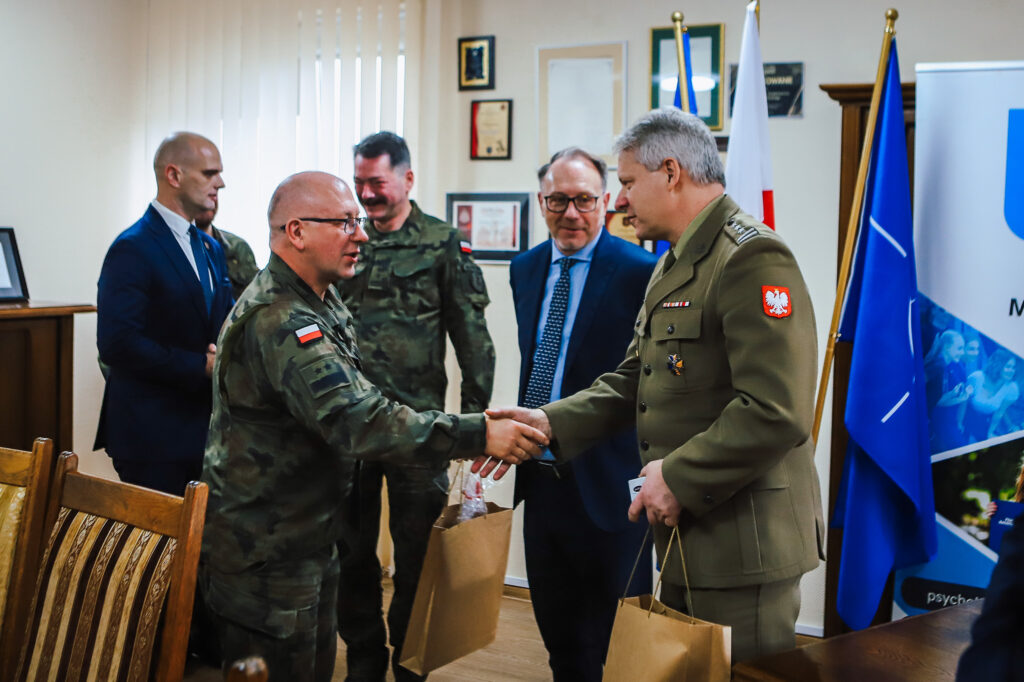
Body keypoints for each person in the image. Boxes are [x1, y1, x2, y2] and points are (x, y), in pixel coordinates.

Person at [487, 108, 824, 664]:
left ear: (670, 173)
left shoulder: (750, 257)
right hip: (689, 532)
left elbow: (776, 409)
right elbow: (632, 379)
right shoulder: (674, 265)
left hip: (745, 540)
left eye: (625, 184)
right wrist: (550, 422)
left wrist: (678, 475)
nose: (619, 202)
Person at [199, 171, 544, 682]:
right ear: (297, 232)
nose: (361, 234)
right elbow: (356, 420)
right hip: (268, 557)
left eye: (357, 221)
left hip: (305, 538)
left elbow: (363, 395)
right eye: (344, 222)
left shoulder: (320, 298)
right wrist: (478, 431)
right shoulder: (282, 318)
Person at [334, 131, 496, 682]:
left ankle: (408, 665)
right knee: (350, 556)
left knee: (417, 561)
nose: (367, 195)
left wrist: (474, 428)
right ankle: (363, 658)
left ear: (407, 179)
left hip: (416, 434)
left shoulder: (442, 242)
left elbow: (472, 337)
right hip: (350, 430)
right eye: (359, 183)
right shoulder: (346, 239)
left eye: (376, 182)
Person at [510, 147, 657, 680]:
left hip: (611, 481)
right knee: (558, 632)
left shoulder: (641, 271)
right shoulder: (525, 268)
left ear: (606, 202)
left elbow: (644, 379)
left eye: (584, 200)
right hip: (542, 477)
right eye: (557, 200)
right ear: (541, 200)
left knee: (616, 640)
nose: (571, 213)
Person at [95, 131, 234, 495]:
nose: (220, 182)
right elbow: (118, 343)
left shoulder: (209, 246)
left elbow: (223, 320)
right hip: (150, 436)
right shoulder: (132, 248)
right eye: (209, 173)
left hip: (205, 434)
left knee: (202, 550)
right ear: (174, 176)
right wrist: (198, 366)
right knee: (159, 554)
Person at [197, 201, 259, 299]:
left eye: (214, 194)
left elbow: (257, 298)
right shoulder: (172, 250)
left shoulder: (238, 247)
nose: (208, 201)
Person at [924, 329, 971, 452]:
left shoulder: (944, 366)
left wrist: (956, 395)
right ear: (947, 347)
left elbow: (937, 400)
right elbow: (917, 384)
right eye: (959, 348)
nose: (962, 353)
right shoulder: (938, 364)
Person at [964, 349, 1020, 442]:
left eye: (1013, 367)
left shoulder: (1011, 388)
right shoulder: (977, 377)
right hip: (965, 418)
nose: (1012, 371)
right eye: (1008, 366)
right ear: (998, 365)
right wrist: (959, 423)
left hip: (984, 424)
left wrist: (989, 433)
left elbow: (1000, 412)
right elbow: (963, 402)